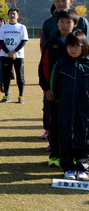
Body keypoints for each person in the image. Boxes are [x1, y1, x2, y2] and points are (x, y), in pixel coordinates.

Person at [38, 10, 78, 167]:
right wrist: (47, 88)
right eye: (62, 22)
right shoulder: (51, 43)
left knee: (76, 124)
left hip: (75, 91)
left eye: (68, 22)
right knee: (55, 123)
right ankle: (55, 155)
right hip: (55, 92)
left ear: (75, 24)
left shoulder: (80, 41)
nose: (65, 25)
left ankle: (76, 155)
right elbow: (44, 67)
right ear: (57, 23)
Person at [51, 31, 89, 181]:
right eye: (69, 46)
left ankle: (82, 167)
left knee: (84, 136)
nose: (72, 49)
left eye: (76, 46)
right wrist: (61, 103)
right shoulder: (61, 64)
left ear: (83, 46)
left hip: (85, 110)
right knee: (65, 136)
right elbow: (54, 87)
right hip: (65, 108)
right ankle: (67, 166)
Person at [0, 8, 29, 103]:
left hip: (18, 55)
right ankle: (6, 95)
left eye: (14, 14)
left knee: (20, 76)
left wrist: (14, 52)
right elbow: (1, 41)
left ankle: (21, 96)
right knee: (6, 76)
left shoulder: (22, 27)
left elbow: (24, 41)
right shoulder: (3, 28)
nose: (12, 16)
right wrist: (8, 52)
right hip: (6, 55)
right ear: (8, 15)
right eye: (11, 14)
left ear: (17, 16)